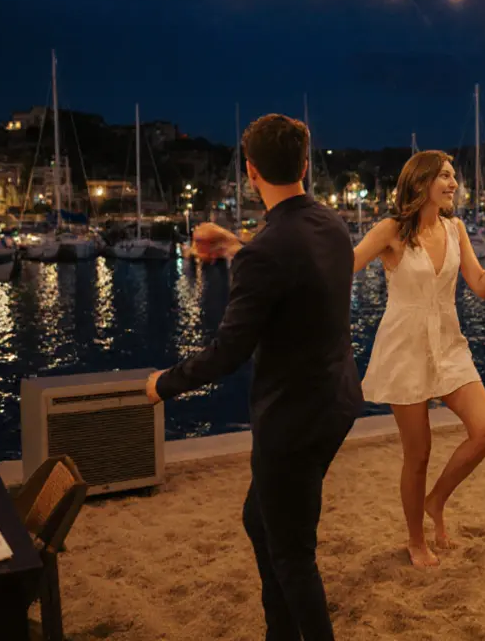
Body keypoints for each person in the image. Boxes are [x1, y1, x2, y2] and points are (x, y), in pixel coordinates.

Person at [145, 114, 360, 641]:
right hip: (336, 401)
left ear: (250, 173)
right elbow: (293, 262)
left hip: (293, 419)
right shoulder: (331, 224)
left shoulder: (266, 251)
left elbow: (227, 353)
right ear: (306, 166)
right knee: (260, 521)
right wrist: (237, 244)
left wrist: (163, 384)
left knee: (292, 554)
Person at [353, 150, 485, 568]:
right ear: (421, 182)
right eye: (445, 176)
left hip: (449, 345)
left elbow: (481, 285)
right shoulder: (391, 230)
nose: (453, 184)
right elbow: (345, 265)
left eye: (454, 177)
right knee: (419, 453)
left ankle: (436, 501)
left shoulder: (456, 229)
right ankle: (416, 539)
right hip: (404, 349)